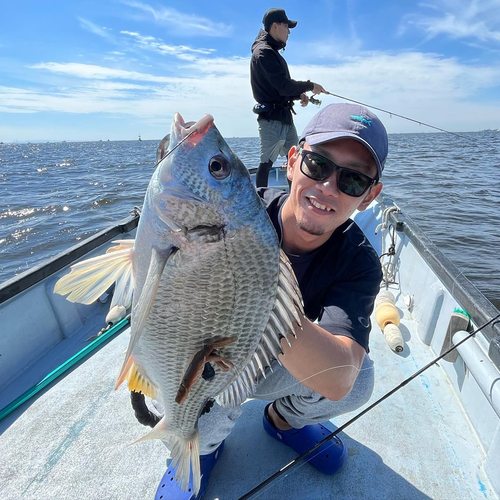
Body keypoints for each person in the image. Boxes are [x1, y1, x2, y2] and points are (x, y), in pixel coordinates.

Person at [155, 103, 388, 500]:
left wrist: (254, 297)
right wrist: (175, 154)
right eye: (318, 164)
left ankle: (282, 421)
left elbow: (338, 378)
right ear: (293, 160)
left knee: (356, 379)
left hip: (284, 365)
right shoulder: (240, 208)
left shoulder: (359, 261)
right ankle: (201, 452)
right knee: (191, 416)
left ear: (369, 197)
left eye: (352, 181)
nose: (328, 187)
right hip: (212, 357)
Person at [251, 8, 326, 188]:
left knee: (295, 158)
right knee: (266, 163)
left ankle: (294, 199)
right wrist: (310, 86)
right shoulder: (264, 53)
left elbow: (280, 88)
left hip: (284, 117)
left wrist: (298, 94)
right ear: (275, 26)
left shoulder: (272, 52)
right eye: (287, 26)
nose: (289, 31)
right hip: (271, 119)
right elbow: (283, 85)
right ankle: (262, 200)